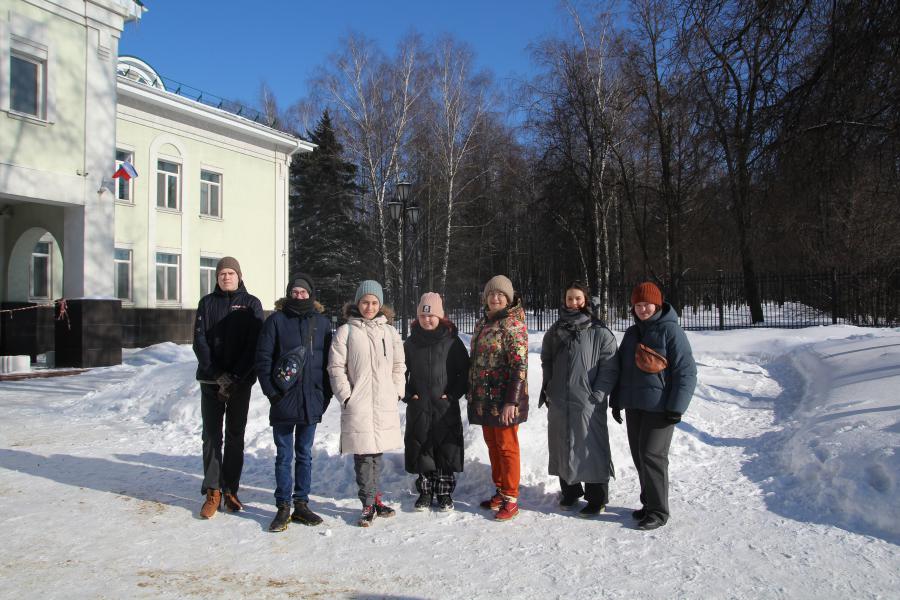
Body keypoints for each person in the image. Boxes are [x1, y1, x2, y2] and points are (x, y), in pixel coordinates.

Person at [610, 281, 697, 530]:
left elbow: (686, 372)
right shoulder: (631, 333)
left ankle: (658, 511)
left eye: (647, 304)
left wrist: (676, 407)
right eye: (638, 305)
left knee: (652, 456)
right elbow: (622, 370)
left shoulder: (671, 331)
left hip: (661, 408)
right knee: (640, 456)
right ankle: (648, 503)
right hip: (634, 406)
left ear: (657, 305)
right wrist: (616, 401)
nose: (642, 309)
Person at [254, 274, 333, 532]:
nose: (299, 295)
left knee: (305, 455)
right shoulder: (276, 321)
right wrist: (272, 393)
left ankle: (301, 504)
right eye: (295, 291)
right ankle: (283, 506)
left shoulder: (321, 323)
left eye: (303, 292)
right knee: (284, 455)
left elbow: (328, 364)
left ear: (311, 294)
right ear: (289, 294)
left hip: (311, 400)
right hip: (283, 400)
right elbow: (263, 359)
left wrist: (324, 396)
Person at [328, 280, 405, 527]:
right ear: (357, 303)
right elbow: (336, 367)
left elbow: (399, 365)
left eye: (373, 303)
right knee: (363, 455)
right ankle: (368, 503)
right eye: (364, 302)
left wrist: (396, 391)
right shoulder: (346, 331)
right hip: (359, 402)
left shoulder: (390, 332)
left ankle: (376, 499)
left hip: (383, 401)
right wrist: (346, 396)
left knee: (376, 454)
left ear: (380, 305)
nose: (369, 307)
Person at [192, 256, 263, 519]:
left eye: (231, 273)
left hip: (239, 383)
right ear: (217, 278)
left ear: (239, 276)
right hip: (211, 380)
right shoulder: (206, 303)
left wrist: (234, 376)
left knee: (235, 436)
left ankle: (230, 489)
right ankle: (213, 491)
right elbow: (199, 341)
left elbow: (254, 344)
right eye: (222, 273)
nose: (226, 277)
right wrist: (217, 374)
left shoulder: (252, 303)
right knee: (211, 436)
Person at [540, 281, 619, 517]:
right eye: (569, 298)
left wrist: (598, 394)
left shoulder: (599, 331)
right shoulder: (556, 330)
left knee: (590, 446)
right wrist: (548, 387)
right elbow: (546, 359)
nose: (573, 302)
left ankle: (597, 498)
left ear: (585, 300)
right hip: (559, 400)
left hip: (588, 401)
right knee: (563, 443)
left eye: (577, 298)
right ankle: (570, 491)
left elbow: (609, 367)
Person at [468, 274, 529, 522]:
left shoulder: (514, 325)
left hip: (504, 400)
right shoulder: (483, 323)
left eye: (500, 294)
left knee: (506, 447)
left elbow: (520, 366)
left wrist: (511, 401)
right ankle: (501, 490)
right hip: (485, 398)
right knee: (493, 445)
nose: (495, 298)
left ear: (509, 298)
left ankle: (511, 497)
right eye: (492, 294)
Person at [402, 292, 470, 512]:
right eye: (423, 316)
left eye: (431, 315)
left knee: (445, 447)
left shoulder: (452, 341)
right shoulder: (411, 343)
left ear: (440, 317)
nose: (427, 319)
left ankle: (444, 492)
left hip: (444, 406)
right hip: (420, 404)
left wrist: (452, 394)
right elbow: (399, 370)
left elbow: (464, 372)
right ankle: (425, 491)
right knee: (422, 445)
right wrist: (408, 393)